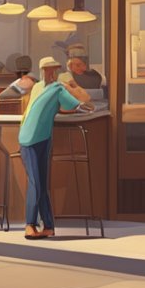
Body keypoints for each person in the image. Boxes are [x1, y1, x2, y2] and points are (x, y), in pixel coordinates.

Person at [18, 57, 93, 239]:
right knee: (37, 183)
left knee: (40, 183)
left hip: (37, 137)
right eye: (47, 69)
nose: (50, 72)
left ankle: (48, 226)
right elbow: (82, 106)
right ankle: (31, 224)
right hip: (31, 138)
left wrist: (71, 89)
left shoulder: (53, 88)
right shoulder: (48, 88)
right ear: (42, 70)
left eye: (53, 69)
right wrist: (73, 93)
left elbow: (75, 106)